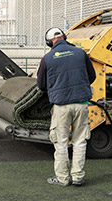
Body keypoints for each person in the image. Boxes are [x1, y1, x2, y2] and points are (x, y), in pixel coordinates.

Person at [36, 27, 96, 187]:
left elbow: (41, 85)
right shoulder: (81, 53)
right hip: (81, 104)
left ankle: (62, 178)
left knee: (61, 142)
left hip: (61, 106)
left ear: (50, 42)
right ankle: (77, 177)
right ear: (64, 37)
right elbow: (92, 76)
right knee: (80, 141)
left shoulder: (47, 58)